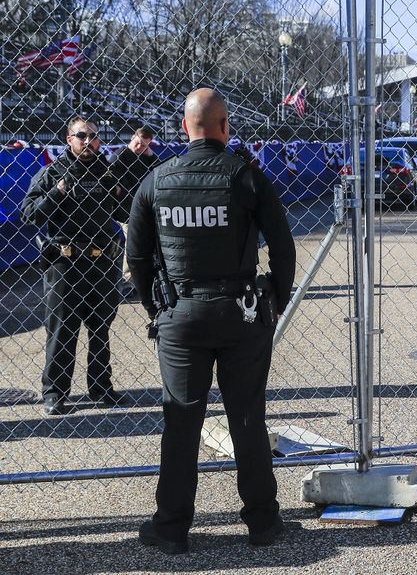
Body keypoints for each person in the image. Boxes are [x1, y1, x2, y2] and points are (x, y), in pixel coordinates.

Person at [127, 88, 296, 554]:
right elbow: (283, 247)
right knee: (246, 417)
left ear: (185, 128)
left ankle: (172, 527)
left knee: (181, 422)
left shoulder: (157, 181)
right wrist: (274, 302)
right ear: (225, 127)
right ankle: (262, 522)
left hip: (181, 316)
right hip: (241, 314)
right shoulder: (247, 177)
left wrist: (157, 308)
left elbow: (137, 256)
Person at [21, 117, 126, 415]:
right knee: (62, 330)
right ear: (69, 140)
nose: (89, 141)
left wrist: (120, 193)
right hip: (64, 263)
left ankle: (101, 387)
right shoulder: (52, 173)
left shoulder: (109, 173)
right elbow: (28, 214)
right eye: (82, 135)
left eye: (94, 136)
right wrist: (57, 192)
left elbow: (125, 211)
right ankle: (54, 393)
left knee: (101, 326)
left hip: (103, 260)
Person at [109, 126, 158, 292]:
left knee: (143, 243)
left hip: (143, 208)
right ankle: (128, 281)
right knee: (132, 242)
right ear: (132, 137)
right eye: (138, 143)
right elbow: (115, 184)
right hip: (127, 210)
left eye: (144, 145)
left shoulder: (144, 156)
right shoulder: (119, 157)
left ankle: (139, 278)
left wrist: (150, 154)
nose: (140, 148)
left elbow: (158, 171)